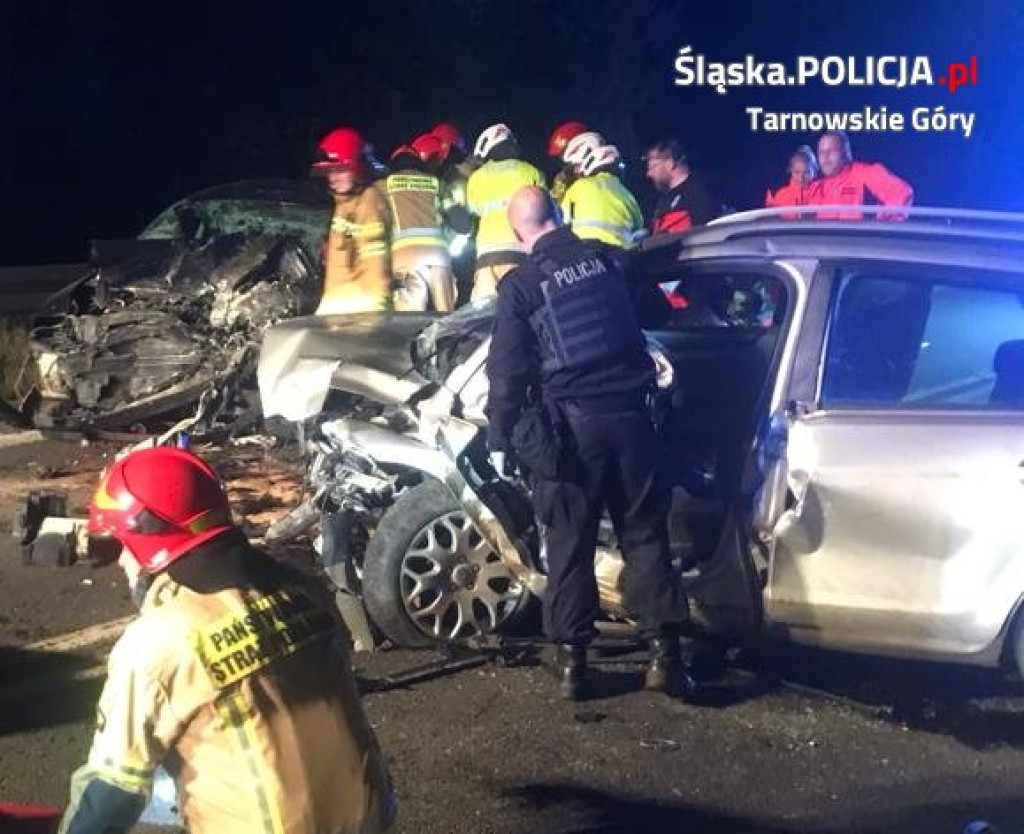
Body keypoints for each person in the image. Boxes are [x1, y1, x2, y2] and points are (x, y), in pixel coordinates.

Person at [59, 446, 395, 834]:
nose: (119, 561)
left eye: (119, 545)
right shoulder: (304, 589)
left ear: (147, 539)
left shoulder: (156, 644)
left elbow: (109, 797)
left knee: (136, 780)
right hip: (368, 815)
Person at [485, 186, 690, 701]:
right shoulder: (610, 262)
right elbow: (658, 315)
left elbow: (506, 373)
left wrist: (499, 433)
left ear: (518, 233)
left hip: (572, 435)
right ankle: (665, 656)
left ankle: (575, 665)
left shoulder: (522, 286)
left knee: (569, 545)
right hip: (634, 421)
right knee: (644, 535)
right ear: (559, 216)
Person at [312, 126, 392, 314]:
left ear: (357, 169)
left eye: (340, 170)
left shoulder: (369, 203)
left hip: (358, 310)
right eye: (330, 171)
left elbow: (376, 265)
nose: (333, 178)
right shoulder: (343, 203)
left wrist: (376, 317)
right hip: (336, 305)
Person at [465, 123, 547, 300]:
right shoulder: (532, 172)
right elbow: (546, 212)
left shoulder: (477, 178)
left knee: (483, 316)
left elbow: (473, 212)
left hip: (488, 256)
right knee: (522, 309)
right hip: (523, 253)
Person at [386, 135, 456, 311]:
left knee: (409, 321)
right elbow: (461, 222)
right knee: (448, 319)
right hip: (439, 256)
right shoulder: (437, 183)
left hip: (404, 259)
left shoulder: (385, 185)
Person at [810, 130, 914, 219]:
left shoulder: (865, 174)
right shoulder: (817, 188)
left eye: (831, 151)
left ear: (846, 153)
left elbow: (901, 192)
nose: (825, 157)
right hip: (826, 241)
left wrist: (882, 227)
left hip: (861, 240)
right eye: (821, 153)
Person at [561, 143, 644, 247]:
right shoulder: (627, 194)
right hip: (620, 255)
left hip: (585, 252)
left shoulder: (579, 186)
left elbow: (562, 221)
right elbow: (639, 231)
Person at [644, 139, 717, 233]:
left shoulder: (699, 193)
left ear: (670, 163)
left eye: (653, 167)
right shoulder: (662, 202)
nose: (648, 174)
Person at [765, 144, 820, 215]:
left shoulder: (823, 191)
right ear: (790, 170)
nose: (801, 178)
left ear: (815, 171)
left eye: (807, 172)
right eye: (797, 172)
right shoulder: (780, 195)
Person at [546, 120, 591, 201]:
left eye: (564, 155)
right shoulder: (563, 179)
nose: (566, 163)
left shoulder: (597, 181)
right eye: (561, 158)